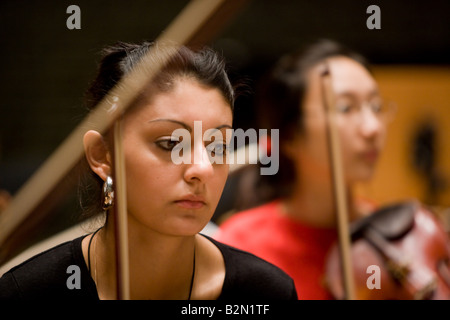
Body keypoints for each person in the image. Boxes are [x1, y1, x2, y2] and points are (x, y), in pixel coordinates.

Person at [0, 41, 297, 300]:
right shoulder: (28, 293)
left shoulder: (264, 294)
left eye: (217, 147)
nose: (203, 169)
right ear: (102, 155)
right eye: (170, 143)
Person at [214, 39, 394, 299]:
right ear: (289, 136)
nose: (373, 127)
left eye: (376, 106)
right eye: (346, 108)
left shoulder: (397, 238)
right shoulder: (241, 243)